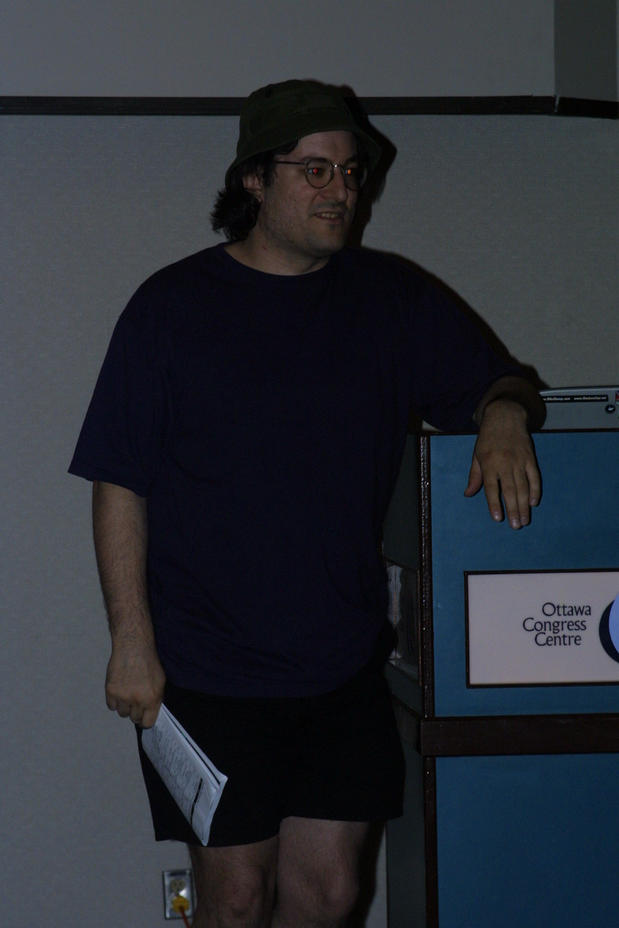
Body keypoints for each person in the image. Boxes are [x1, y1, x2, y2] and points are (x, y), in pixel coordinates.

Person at [69, 79, 545, 928]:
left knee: (330, 895)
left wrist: (505, 411)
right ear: (255, 179)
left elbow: (498, 380)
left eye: (351, 172)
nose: (339, 191)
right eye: (314, 170)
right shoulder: (170, 308)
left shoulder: (390, 299)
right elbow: (119, 481)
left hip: (339, 663)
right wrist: (130, 642)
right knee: (235, 900)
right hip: (207, 668)